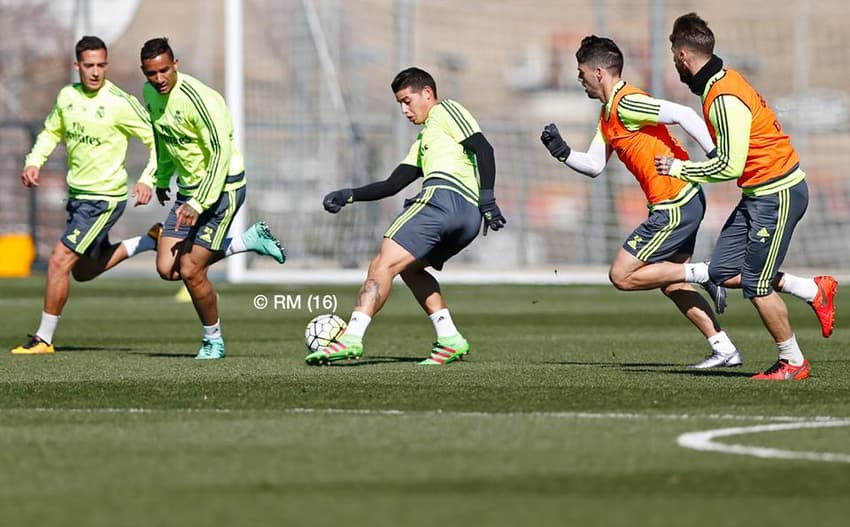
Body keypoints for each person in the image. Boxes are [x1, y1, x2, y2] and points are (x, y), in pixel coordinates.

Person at [654, 13, 837, 380]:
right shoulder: (719, 83)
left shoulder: (723, 95)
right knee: (722, 271)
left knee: (755, 284)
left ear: (684, 56)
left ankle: (794, 362)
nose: (675, 65)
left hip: (778, 193)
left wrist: (679, 168)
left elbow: (729, 166)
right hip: (758, 195)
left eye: (675, 57)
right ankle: (812, 289)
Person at [540, 35, 741, 369]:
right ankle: (724, 349)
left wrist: (715, 153)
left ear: (599, 72)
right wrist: (562, 153)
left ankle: (706, 273)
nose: (579, 80)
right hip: (680, 202)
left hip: (674, 203)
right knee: (671, 280)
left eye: (581, 72)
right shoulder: (608, 113)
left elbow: (684, 114)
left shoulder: (627, 102)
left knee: (621, 275)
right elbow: (593, 166)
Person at [305, 66, 506, 366]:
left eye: (407, 100)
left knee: (381, 263)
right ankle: (449, 338)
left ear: (427, 93)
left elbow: (483, 148)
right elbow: (392, 184)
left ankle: (351, 338)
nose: (404, 110)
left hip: (443, 199)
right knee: (410, 270)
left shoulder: (446, 110)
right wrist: (350, 194)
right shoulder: (426, 141)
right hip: (467, 220)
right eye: (399, 104)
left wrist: (488, 197)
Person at [12, 36, 162, 355]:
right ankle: (147, 241)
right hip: (78, 198)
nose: (95, 72)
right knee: (82, 271)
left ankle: (44, 339)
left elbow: (155, 140)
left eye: (101, 65)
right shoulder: (67, 96)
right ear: (77, 66)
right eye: (89, 65)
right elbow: (51, 131)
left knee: (58, 260)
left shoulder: (120, 102)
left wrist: (148, 179)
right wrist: (34, 162)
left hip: (104, 200)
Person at [140, 37, 286, 360]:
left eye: (165, 70)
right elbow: (162, 139)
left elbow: (220, 154)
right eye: (152, 73)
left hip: (223, 189)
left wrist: (198, 203)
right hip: (189, 192)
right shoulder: (149, 94)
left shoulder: (201, 99)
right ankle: (248, 241)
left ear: (175, 64)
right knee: (167, 269)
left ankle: (213, 340)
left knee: (191, 270)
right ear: (144, 72)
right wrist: (163, 178)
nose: (160, 79)